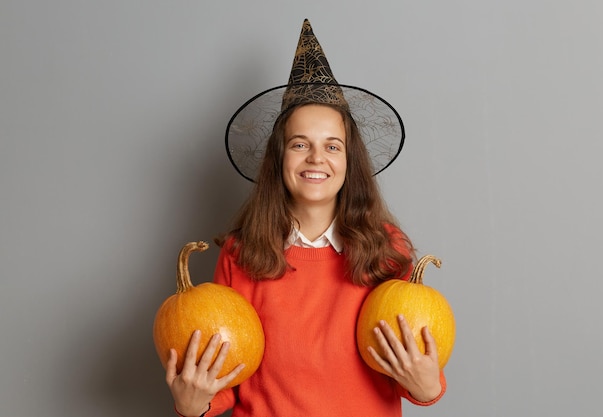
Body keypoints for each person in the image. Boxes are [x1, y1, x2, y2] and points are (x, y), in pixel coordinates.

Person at [165, 19, 447, 417]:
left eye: (332, 146)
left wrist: (429, 385)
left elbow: (412, 366)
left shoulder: (388, 248)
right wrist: (194, 403)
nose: (317, 158)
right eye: (300, 144)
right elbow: (225, 374)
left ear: (350, 162)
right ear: (279, 157)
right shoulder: (241, 253)